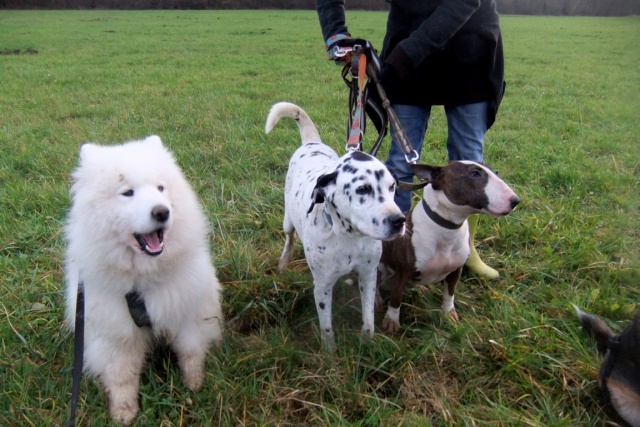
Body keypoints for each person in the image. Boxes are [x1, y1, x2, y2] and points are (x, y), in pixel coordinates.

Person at [317, 0, 507, 279]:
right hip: (405, 52)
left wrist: (406, 54)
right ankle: (392, 251)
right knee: (400, 163)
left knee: (469, 158)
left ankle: (464, 249)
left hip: (470, 47)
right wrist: (336, 35)